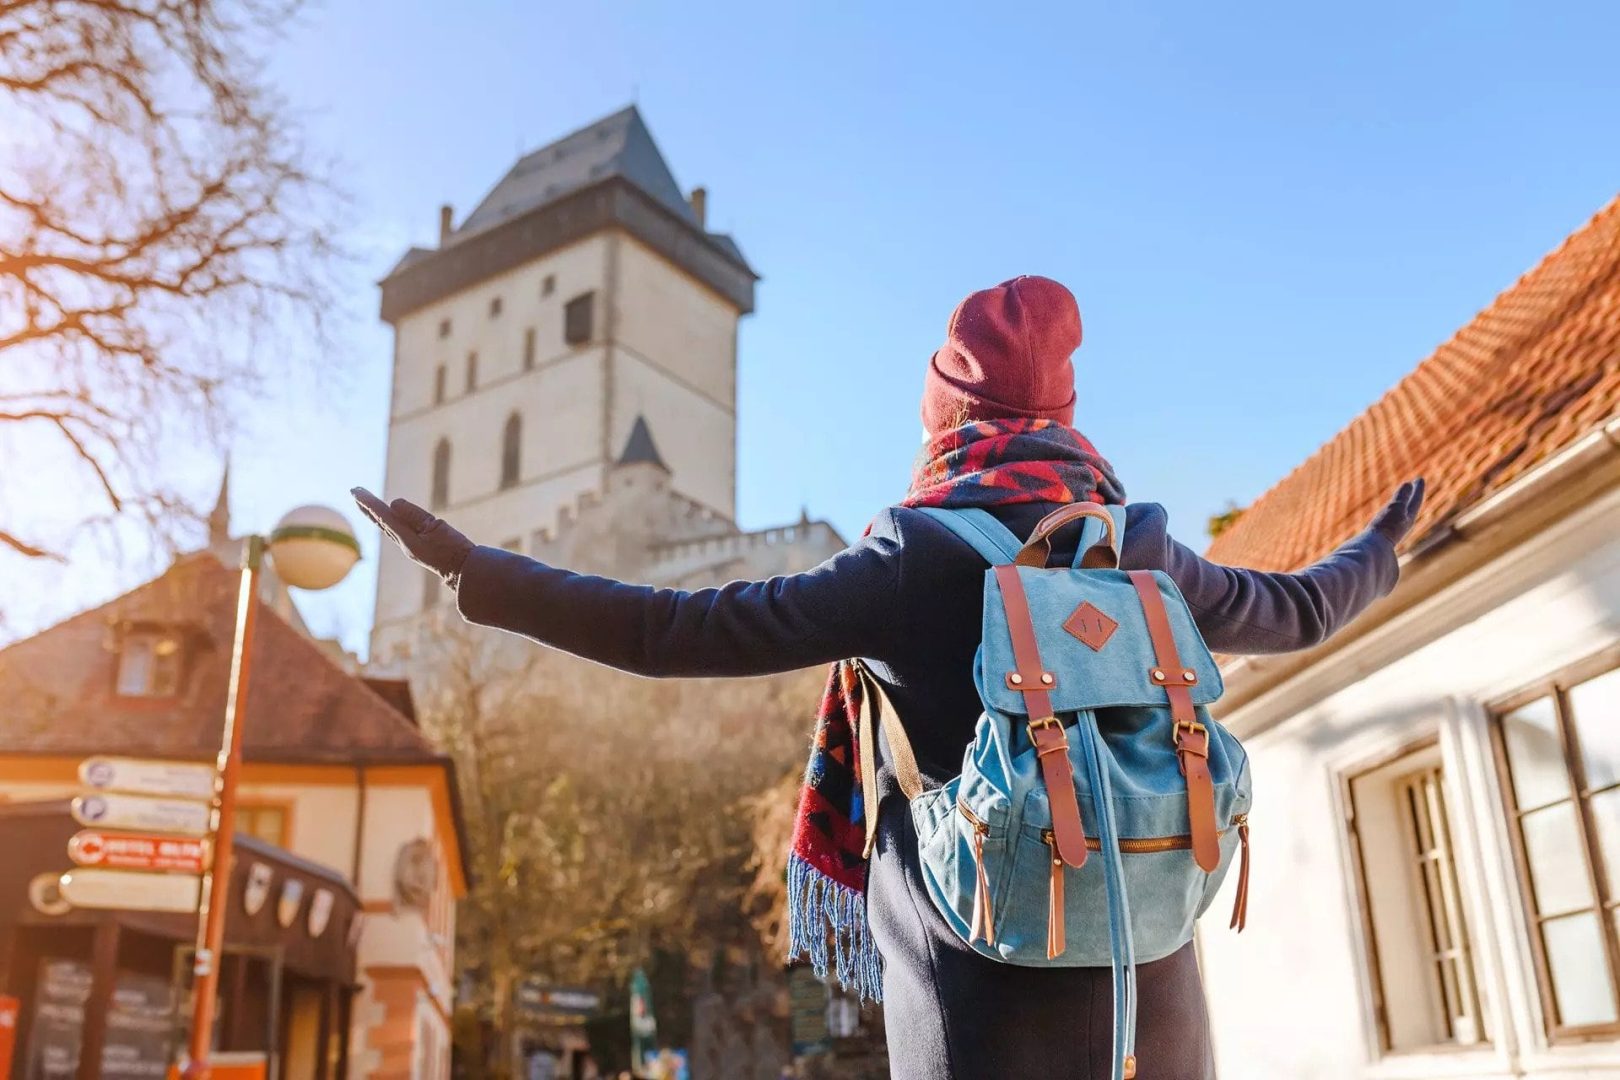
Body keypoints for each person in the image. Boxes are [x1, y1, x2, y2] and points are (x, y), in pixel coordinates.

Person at [355, 276, 1423, 1079]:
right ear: (1061, 411)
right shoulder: (1134, 544)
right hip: (1161, 1016)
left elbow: (671, 631)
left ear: (944, 413)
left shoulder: (915, 558)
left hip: (979, 1019)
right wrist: (1385, 541)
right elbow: (1305, 607)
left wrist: (477, 569)